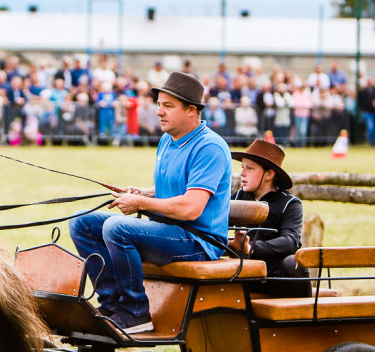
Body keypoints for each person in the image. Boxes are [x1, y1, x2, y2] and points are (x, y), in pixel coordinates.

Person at [69, 72, 232, 333]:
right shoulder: (168, 140)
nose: (159, 112)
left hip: (199, 241)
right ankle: (110, 308)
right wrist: (143, 194)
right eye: (159, 104)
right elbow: (174, 187)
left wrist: (140, 205)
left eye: (168, 106)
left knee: (116, 228)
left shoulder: (209, 147)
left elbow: (191, 208)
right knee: (81, 222)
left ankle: (135, 314)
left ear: (192, 111)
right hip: (168, 230)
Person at [229, 140, 310, 297]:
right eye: (242, 167)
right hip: (242, 271)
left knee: (294, 263)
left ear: (270, 174)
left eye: (250, 168)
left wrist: (251, 247)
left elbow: (290, 241)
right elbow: (215, 223)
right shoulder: (238, 198)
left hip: (275, 275)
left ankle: (301, 314)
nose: (242, 173)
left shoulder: (289, 204)